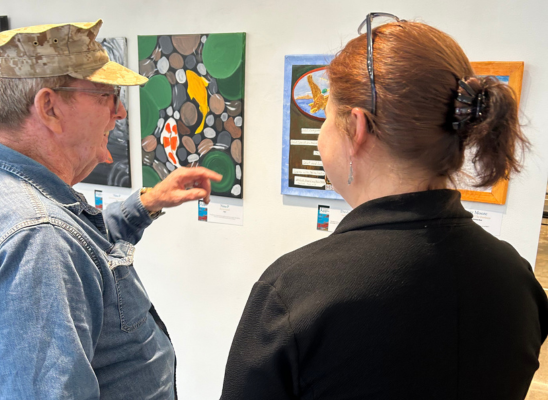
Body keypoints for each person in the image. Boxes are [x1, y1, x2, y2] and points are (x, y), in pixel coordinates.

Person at [221, 13, 548, 400]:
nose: (323, 135)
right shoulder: (517, 277)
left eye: (326, 118)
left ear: (357, 127)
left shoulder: (295, 292)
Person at [0, 20, 221, 399]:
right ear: (50, 108)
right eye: (107, 96)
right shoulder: (37, 239)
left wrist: (146, 204)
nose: (120, 113)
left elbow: (80, 246)